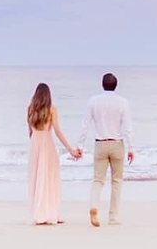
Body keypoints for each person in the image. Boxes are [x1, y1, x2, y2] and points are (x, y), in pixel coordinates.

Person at [76, 72, 134, 227]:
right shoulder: (123, 102)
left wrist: (80, 146)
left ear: (102, 85)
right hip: (116, 143)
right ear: (116, 86)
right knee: (116, 181)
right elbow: (128, 128)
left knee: (98, 180)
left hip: (100, 143)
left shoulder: (93, 101)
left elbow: (85, 125)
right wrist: (131, 148)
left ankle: (94, 206)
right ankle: (113, 217)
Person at [26, 82, 80, 226]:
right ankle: (52, 213)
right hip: (47, 144)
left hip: (35, 145)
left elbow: (30, 132)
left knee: (37, 179)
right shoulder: (51, 109)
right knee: (50, 179)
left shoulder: (30, 109)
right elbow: (57, 131)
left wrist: (35, 145)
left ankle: (39, 212)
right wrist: (71, 150)